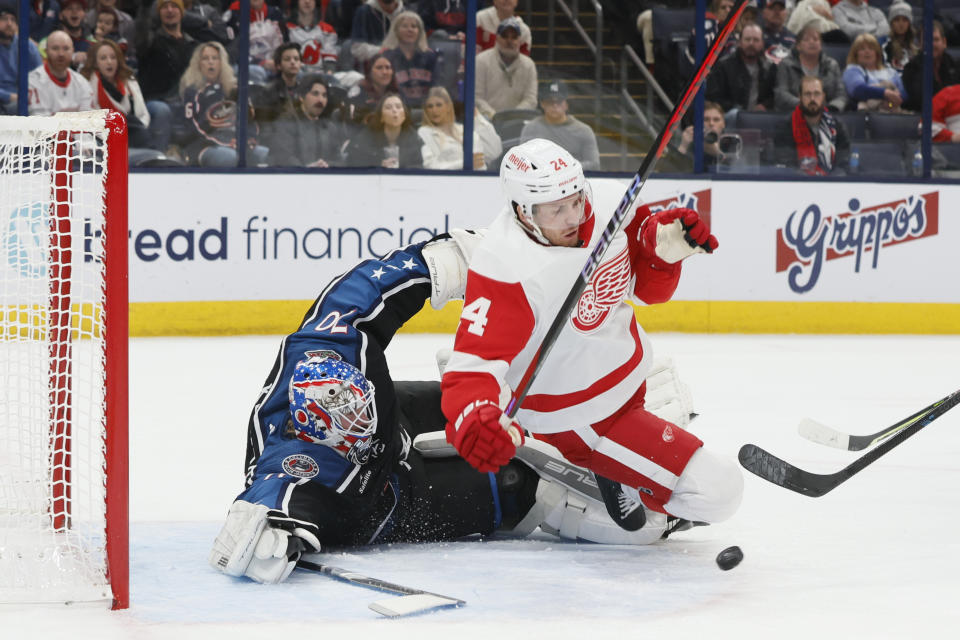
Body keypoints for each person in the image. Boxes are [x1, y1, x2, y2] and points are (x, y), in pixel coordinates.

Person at [209, 231, 673, 584]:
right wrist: (263, 544)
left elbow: (363, 288)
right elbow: (264, 504)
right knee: (518, 488)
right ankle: (643, 513)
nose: (360, 422)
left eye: (360, 408)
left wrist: (451, 259)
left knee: (493, 409)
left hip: (398, 418)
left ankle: (615, 432)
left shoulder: (330, 346)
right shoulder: (295, 465)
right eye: (351, 425)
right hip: (389, 501)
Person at [440, 138, 743, 540]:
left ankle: (615, 473)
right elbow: (472, 365)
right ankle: (588, 475)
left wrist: (661, 253)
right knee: (721, 491)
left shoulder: (611, 204)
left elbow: (646, 290)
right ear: (523, 213)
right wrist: (475, 418)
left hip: (627, 382)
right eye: (555, 210)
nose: (572, 217)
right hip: (575, 418)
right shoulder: (504, 266)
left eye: (575, 200)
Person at [178, 41, 269, 166]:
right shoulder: (192, 91)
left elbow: (251, 122)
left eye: (215, 58)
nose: (211, 62)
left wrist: (248, 141)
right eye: (205, 58)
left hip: (237, 143)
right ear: (199, 64)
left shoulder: (235, 90)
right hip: (205, 145)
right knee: (231, 158)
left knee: (267, 155)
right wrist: (224, 143)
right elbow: (192, 129)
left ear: (222, 62)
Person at [137, 0, 196, 152]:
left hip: (184, 103)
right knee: (162, 110)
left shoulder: (192, 44)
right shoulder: (150, 41)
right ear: (158, 13)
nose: (169, 10)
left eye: (174, 6)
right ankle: (158, 159)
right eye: (164, 7)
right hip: (156, 101)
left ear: (182, 12)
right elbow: (141, 35)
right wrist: (144, 9)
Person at [80, 39, 151, 147]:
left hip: (132, 132)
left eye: (113, 57)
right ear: (95, 63)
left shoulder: (129, 81)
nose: (109, 62)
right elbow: (89, 121)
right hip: (103, 136)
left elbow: (143, 115)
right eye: (103, 58)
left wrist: (137, 129)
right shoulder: (88, 84)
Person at [774, 75, 850, 175]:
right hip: (798, 184)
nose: (812, 99)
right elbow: (786, 164)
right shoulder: (785, 126)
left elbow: (843, 164)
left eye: (817, 94)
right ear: (800, 97)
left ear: (823, 96)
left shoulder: (837, 126)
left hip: (831, 185)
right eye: (807, 94)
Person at [267, 73, 346, 167]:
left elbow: (339, 161)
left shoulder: (330, 127)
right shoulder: (285, 122)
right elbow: (282, 158)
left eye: (324, 95)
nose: (320, 100)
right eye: (315, 94)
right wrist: (307, 170)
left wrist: (326, 166)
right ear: (301, 96)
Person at [519, 80, 600, 171]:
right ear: (542, 104)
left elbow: (594, 164)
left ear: (566, 104)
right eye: (550, 101)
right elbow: (522, 161)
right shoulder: (531, 128)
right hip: (540, 181)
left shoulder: (584, 130)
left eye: (559, 101)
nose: (555, 105)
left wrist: (565, 169)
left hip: (573, 181)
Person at [706, 23, 777, 115]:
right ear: (739, 42)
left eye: (756, 40)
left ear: (762, 44)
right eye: (747, 39)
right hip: (731, 116)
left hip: (761, 118)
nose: (751, 43)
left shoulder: (770, 67)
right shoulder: (723, 66)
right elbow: (714, 98)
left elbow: (775, 95)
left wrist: (764, 105)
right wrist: (739, 110)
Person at [474, 17, 537, 119]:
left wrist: (513, 116)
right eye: (505, 36)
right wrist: (495, 116)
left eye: (514, 37)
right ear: (497, 38)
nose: (509, 41)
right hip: (487, 121)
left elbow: (531, 99)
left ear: (519, 40)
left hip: (517, 121)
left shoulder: (529, 65)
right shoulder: (481, 61)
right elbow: (477, 97)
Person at [774, 22, 845, 112]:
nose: (812, 42)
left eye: (815, 39)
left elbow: (841, 94)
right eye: (806, 40)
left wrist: (832, 107)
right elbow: (781, 93)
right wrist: (806, 104)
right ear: (798, 46)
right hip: (794, 113)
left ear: (821, 45)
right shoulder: (786, 64)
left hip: (828, 112)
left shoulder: (832, 65)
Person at [345, 91, 422, 168]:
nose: (394, 110)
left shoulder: (414, 138)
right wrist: (379, 165)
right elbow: (353, 163)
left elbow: (419, 166)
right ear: (381, 117)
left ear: (404, 115)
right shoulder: (366, 136)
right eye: (388, 107)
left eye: (398, 107)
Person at [418, 85, 484, 170]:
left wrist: (478, 117)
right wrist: (465, 163)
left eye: (439, 105)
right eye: (430, 106)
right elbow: (430, 166)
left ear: (448, 106)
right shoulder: (424, 132)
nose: (434, 110)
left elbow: (482, 160)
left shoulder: (464, 129)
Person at [28, 29, 93, 114]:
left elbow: (88, 120)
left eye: (66, 48)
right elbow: (41, 123)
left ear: (73, 51)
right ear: (46, 51)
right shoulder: (33, 81)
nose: (61, 54)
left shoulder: (82, 83)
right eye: (55, 48)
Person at [380, 10, 437, 108]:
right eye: (404, 26)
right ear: (396, 31)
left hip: (427, 109)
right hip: (396, 109)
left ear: (419, 31)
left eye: (414, 26)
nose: (409, 30)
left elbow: (437, 86)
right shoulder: (386, 56)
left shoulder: (430, 56)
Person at [901, 21, 959, 114]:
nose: (932, 44)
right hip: (923, 118)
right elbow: (919, 99)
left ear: (944, 42)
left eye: (936, 39)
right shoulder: (911, 68)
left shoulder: (955, 66)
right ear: (920, 44)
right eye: (927, 40)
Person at [223, 0, 287, 83]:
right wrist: (260, 62)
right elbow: (231, 52)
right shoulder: (233, 16)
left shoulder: (276, 14)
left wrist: (279, 62)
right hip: (246, 66)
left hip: (275, 65)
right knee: (258, 72)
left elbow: (286, 45)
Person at [842, 33, 906, 113]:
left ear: (877, 52)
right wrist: (885, 93)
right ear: (855, 54)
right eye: (862, 49)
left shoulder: (891, 72)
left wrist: (890, 103)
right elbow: (858, 90)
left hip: (892, 110)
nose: (867, 51)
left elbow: (903, 94)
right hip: (866, 115)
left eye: (871, 48)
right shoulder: (852, 70)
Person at [0, 1, 43, 115]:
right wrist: (9, 96)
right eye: (4, 19)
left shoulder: (28, 46)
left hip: (25, 100)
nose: (9, 23)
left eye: (13, 20)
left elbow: (40, 77)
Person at [252, 42, 302, 126]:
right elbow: (264, 125)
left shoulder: (306, 91)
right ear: (278, 65)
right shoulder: (267, 92)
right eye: (287, 59)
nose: (293, 62)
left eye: (296, 59)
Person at [286, 0, 339, 72]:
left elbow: (329, 60)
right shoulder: (286, 28)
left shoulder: (327, 30)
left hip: (321, 76)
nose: (307, 1)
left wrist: (328, 76)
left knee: (354, 76)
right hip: (295, 74)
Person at [675, 101, 728, 171]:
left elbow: (736, 169)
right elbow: (674, 169)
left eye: (716, 120)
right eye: (706, 119)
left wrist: (719, 155)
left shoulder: (730, 143)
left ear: (723, 124)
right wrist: (683, 146)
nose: (711, 123)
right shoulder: (691, 145)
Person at [346, 52, 398, 124]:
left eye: (388, 67)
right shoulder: (358, 92)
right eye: (379, 68)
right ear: (369, 71)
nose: (384, 72)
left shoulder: (397, 92)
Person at [43, 0, 93, 69]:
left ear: (84, 15)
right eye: (69, 8)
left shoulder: (93, 43)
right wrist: (72, 58)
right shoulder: (48, 42)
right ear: (60, 15)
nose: (75, 12)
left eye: (79, 8)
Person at [882, 2, 917, 73]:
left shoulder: (915, 46)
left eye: (905, 20)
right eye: (897, 20)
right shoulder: (884, 44)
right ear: (891, 23)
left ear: (909, 23)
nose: (901, 24)